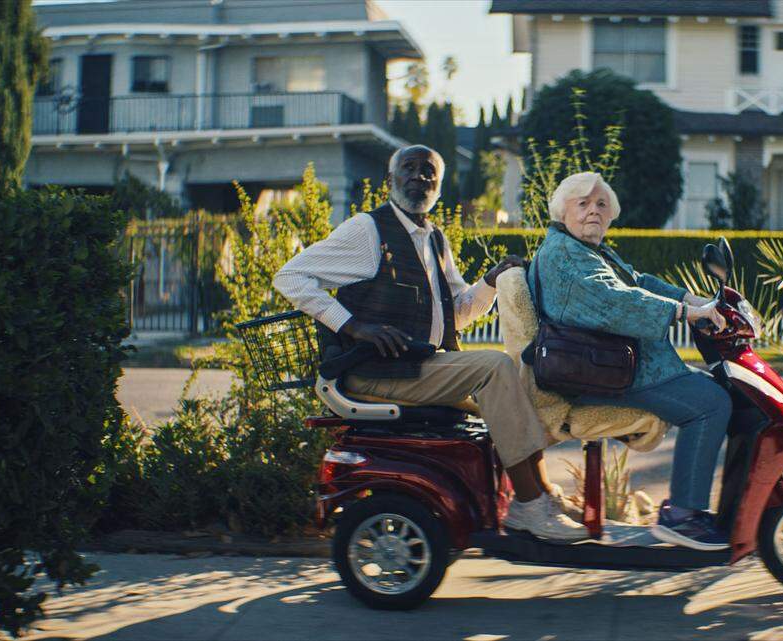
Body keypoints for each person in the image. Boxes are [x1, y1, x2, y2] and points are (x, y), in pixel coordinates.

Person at [274, 145, 585, 542]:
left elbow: (454, 313)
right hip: (376, 371)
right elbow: (290, 277)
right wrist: (353, 326)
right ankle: (529, 506)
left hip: (416, 366)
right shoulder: (366, 231)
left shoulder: (434, 238)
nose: (420, 177)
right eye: (410, 169)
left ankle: (539, 497)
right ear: (390, 180)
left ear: (439, 186)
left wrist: (490, 281)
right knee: (494, 368)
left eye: (429, 172)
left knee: (520, 386)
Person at [528, 172, 733, 551]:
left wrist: (694, 301)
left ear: (610, 216)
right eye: (583, 203)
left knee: (720, 389)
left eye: (601, 205)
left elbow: (637, 282)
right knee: (712, 403)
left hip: (615, 365)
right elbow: (612, 301)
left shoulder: (589, 250)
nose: (593, 211)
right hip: (598, 373)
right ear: (563, 211)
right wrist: (682, 314)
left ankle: (698, 508)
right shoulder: (563, 255)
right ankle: (684, 517)